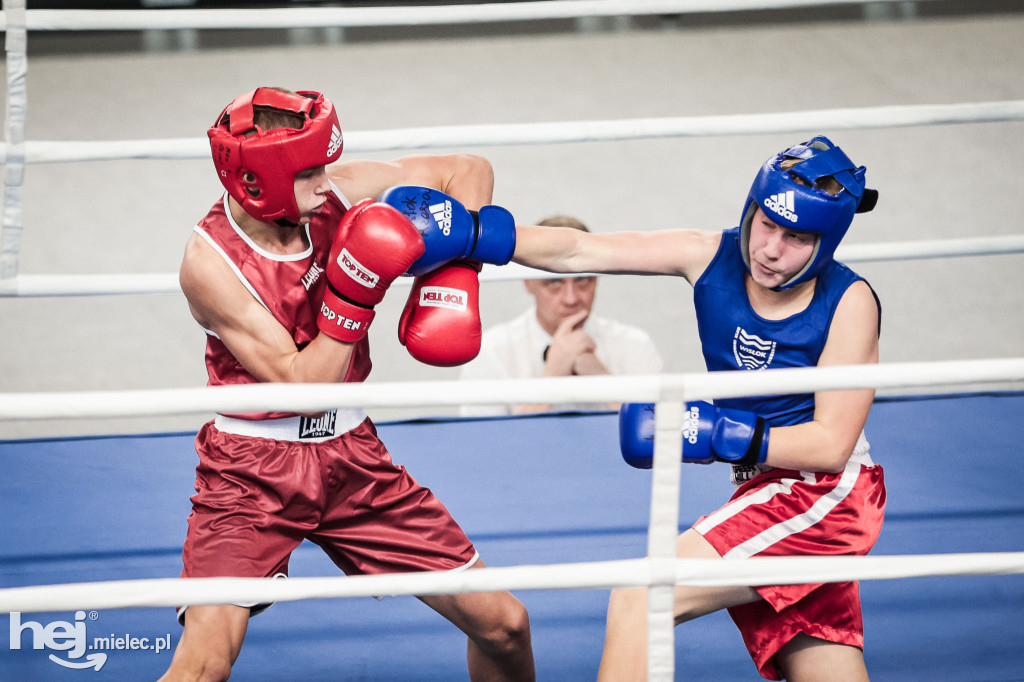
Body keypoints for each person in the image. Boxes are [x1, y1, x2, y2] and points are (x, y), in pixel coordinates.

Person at [162, 87, 534, 681]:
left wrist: (451, 279)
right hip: (251, 471)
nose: (324, 183)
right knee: (204, 667)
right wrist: (356, 288)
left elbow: (470, 170)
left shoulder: (337, 190)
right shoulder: (210, 264)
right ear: (259, 183)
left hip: (354, 457)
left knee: (506, 626)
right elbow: (301, 384)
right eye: (307, 172)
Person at [512, 136, 884, 681]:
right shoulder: (709, 254)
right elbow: (578, 250)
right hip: (767, 484)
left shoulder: (849, 303)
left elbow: (831, 445)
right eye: (765, 224)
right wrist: (478, 233)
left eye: (796, 237)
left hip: (823, 495)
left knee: (641, 595)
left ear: (826, 242)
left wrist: (717, 433)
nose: (770, 249)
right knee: (825, 666)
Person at [459, 216, 663, 416]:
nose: (571, 299)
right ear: (527, 282)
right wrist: (551, 379)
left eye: (583, 279)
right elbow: (485, 443)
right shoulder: (492, 352)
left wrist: (601, 379)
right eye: (554, 283)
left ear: (597, 280)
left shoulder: (635, 345)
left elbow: (657, 438)